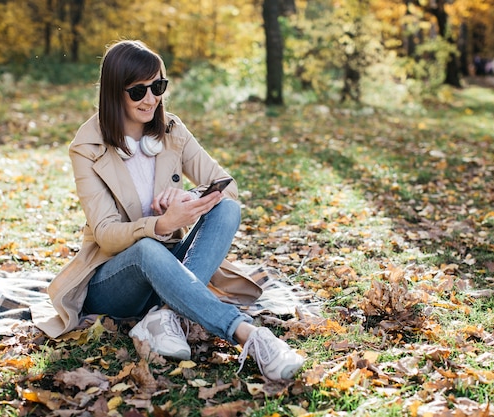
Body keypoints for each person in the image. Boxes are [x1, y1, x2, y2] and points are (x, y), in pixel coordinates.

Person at [31, 39, 304, 381]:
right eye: (138, 91)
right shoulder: (87, 147)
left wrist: (186, 197)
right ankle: (250, 336)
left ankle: (164, 317)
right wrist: (159, 225)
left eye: (158, 86)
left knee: (228, 210)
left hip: (170, 268)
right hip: (114, 280)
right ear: (115, 92)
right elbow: (106, 234)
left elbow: (226, 184)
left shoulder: (172, 130)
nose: (151, 99)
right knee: (146, 248)